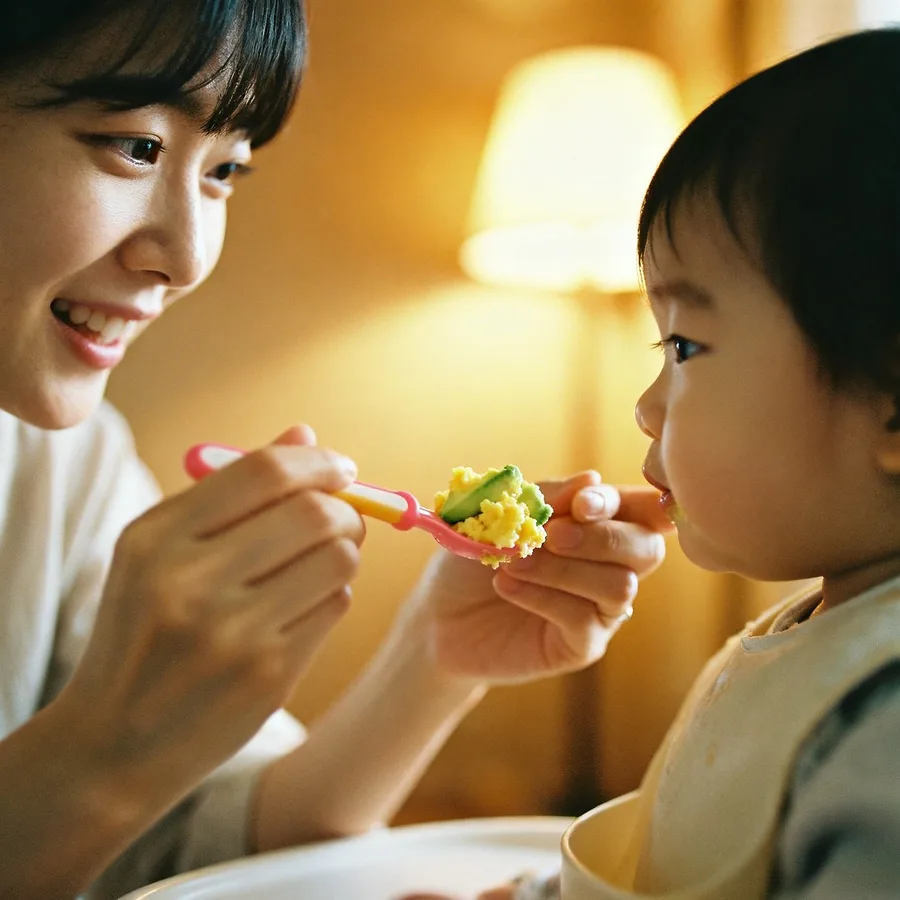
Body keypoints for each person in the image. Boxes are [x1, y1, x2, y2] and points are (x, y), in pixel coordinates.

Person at [0, 2, 674, 898]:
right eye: (137, 147)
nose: (188, 256)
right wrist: (105, 744)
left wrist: (436, 659)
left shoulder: (68, 464)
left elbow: (219, 847)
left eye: (226, 169)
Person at [408, 25, 900, 900]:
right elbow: (670, 856)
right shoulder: (810, 635)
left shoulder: (882, 734)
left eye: (684, 344)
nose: (645, 405)